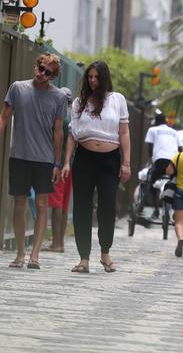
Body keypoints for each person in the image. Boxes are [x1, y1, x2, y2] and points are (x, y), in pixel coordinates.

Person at [0, 53, 67, 269]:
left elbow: (58, 132)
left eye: (47, 72)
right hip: (19, 155)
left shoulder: (58, 97)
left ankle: (35, 255)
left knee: (42, 204)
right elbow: (3, 117)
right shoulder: (18, 88)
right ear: (36, 66)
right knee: (19, 204)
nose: (42, 74)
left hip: (44, 159)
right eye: (40, 68)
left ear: (53, 76)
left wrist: (57, 163)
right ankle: (20, 254)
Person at [61, 61, 131, 273]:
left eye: (97, 77)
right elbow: (72, 135)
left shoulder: (117, 99)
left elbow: (124, 132)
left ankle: (105, 253)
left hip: (110, 159)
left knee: (107, 207)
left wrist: (126, 162)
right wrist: (66, 162)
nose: (93, 81)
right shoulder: (79, 102)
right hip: (84, 158)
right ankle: (84, 258)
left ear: (104, 78)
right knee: (82, 207)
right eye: (90, 77)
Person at [43, 87, 74, 253]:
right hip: (69, 165)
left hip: (59, 165)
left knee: (56, 205)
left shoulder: (61, 120)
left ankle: (56, 243)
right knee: (63, 205)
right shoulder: (72, 119)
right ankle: (59, 242)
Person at [144, 112, 183, 219]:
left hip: (160, 160)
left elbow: (150, 147)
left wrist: (152, 160)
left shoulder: (152, 130)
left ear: (156, 122)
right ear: (166, 121)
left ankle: (156, 211)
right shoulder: (174, 132)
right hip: (174, 162)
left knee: (153, 184)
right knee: (176, 184)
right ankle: (175, 210)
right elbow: (181, 149)